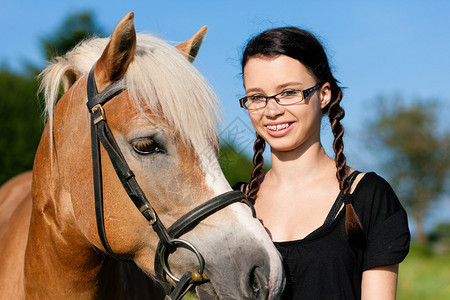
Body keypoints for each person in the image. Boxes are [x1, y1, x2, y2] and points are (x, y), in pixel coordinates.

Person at [235, 27, 410, 299]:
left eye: (289, 92)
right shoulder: (237, 204)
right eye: (257, 97)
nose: (271, 110)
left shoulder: (369, 196)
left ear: (324, 94)